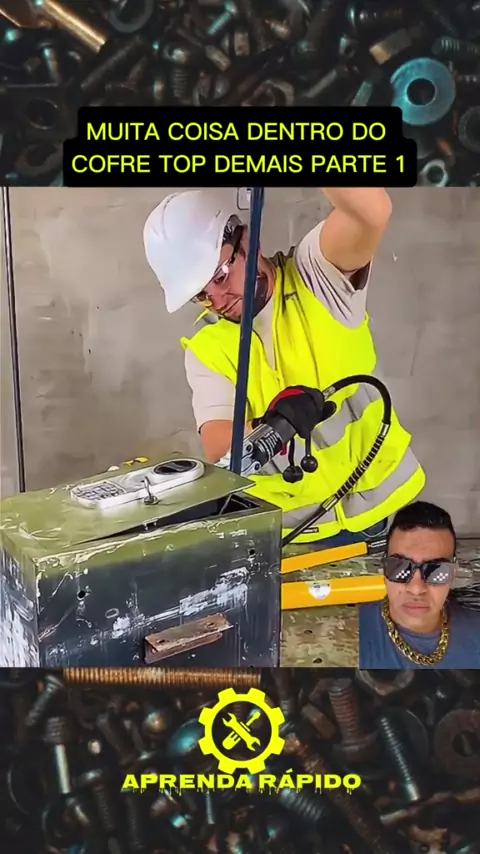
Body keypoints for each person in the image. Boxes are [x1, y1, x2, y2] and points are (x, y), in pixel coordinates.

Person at [143, 188, 426, 547]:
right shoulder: (207, 348)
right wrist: (273, 424)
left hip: (382, 511)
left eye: (221, 276)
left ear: (248, 240)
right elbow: (217, 446)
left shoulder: (317, 277)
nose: (217, 299)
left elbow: (372, 211)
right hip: (296, 534)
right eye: (201, 294)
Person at [359, 501, 480, 668]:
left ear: (453, 573)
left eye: (436, 570)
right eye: (400, 567)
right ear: (384, 569)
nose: (416, 589)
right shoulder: (346, 636)